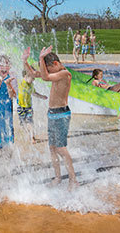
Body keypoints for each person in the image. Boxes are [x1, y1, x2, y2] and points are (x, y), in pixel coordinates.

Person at [37, 46, 77, 189]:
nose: (47, 71)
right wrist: (25, 61)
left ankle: (73, 180)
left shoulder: (65, 73)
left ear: (55, 64)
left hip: (61, 114)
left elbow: (45, 77)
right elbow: (38, 74)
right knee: (53, 148)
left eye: (48, 68)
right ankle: (58, 177)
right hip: (52, 114)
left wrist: (42, 58)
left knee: (61, 148)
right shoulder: (56, 72)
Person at [19, 47, 48, 142]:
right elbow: (28, 72)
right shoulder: (24, 82)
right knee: (23, 124)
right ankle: (29, 134)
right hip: (21, 107)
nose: (34, 79)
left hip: (29, 107)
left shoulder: (31, 85)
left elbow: (34, 93)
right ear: (25, 76)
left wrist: (42, 96)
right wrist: (24, 61)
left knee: (30, 122)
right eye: (32, 77)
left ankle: (32, 137)